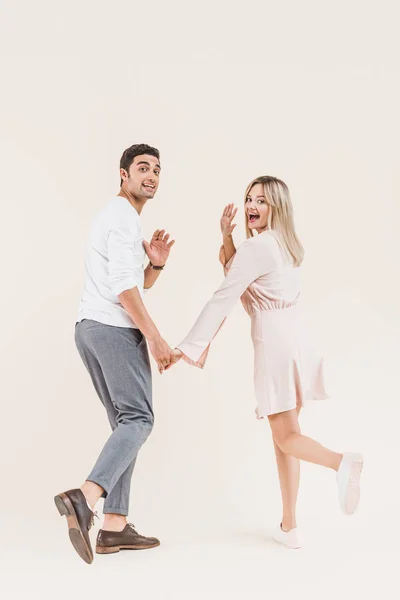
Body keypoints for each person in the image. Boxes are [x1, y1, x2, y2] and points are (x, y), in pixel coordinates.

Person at [170, 176, 363, 549]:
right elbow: (241, 275)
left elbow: (225, 295)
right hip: (294, 336)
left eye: (261, 200)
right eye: (248, 199)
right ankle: (289, 525)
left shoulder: (258, 247)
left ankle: (342, 462)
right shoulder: (283, 245)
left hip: (273, 340)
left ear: (278, 205)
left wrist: (189, 346)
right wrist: (227, 239)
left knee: (286, 436)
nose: (251, 206)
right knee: (285, 437)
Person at [55, 143, 175, 564]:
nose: (152, 176)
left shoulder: (116, 216)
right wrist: (156, 339)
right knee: (139, 420)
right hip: (113, 329)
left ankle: (114, 526)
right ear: (122, 174)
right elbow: (125, 293)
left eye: (157, 169)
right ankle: (85, 498)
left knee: (125, 424)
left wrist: (154, 267)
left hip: (90, 327)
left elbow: (131, 284)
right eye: (143, 168)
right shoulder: (123, 219)